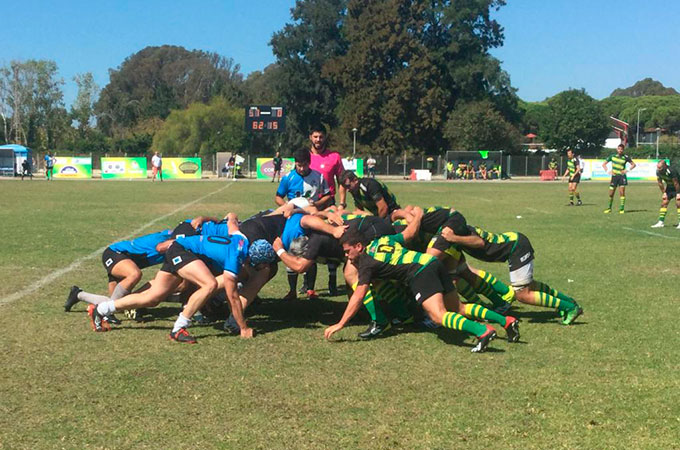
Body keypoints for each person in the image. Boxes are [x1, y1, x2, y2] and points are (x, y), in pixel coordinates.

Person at [326, 209, 498, 353]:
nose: (347, 256)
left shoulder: (366, 264)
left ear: (359, 246)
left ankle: (482, 331)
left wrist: (340, 324)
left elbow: (358, 296)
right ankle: (507, 321)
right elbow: (408, 234)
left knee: (438, 316)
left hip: (420, 273)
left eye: (348, 251)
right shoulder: (382, 240)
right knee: (457, 308)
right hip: (432, 262)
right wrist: (417, 216)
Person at [438, 221, 583, 325]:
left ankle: (570, 308)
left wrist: (453, 238)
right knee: (530, 286)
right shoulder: (461, 234)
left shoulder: (464, 235)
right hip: (515, 243)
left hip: (516, 247)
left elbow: (479, 242)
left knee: (522, 295)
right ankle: (567, 301)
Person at [65, 229, 175, 325]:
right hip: (116, 253)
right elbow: (161, 247)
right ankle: (106, 312)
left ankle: (78, 294)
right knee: (134, 274)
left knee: (118, 303)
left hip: (128, 260)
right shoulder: (173, 238)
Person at [602, 144, 635, 214]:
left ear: (623, 150)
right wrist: (608, 171)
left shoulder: (626, 157)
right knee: (611, 193)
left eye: (621, 149)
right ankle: (609, 208)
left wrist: (627, 170)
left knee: (622, 193)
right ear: (617, 149)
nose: (620, 150)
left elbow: (633, 164)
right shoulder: (612, 156)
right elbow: (604, 164)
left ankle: (622, 209)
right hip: (614, 177)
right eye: (619, 149)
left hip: (622, 177)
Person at [651, 160, 680, 229]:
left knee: (678, 203)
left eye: (660, 168)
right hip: (670, 187)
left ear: (665, 166)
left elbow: (676, 183)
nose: (658, 169)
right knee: (664, 202)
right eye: (658, 168)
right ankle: (661, 222)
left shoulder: (671, 171)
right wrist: (664, 193)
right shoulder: (658, 171)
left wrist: (678, 193)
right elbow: (660, 182)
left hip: (678, 187)